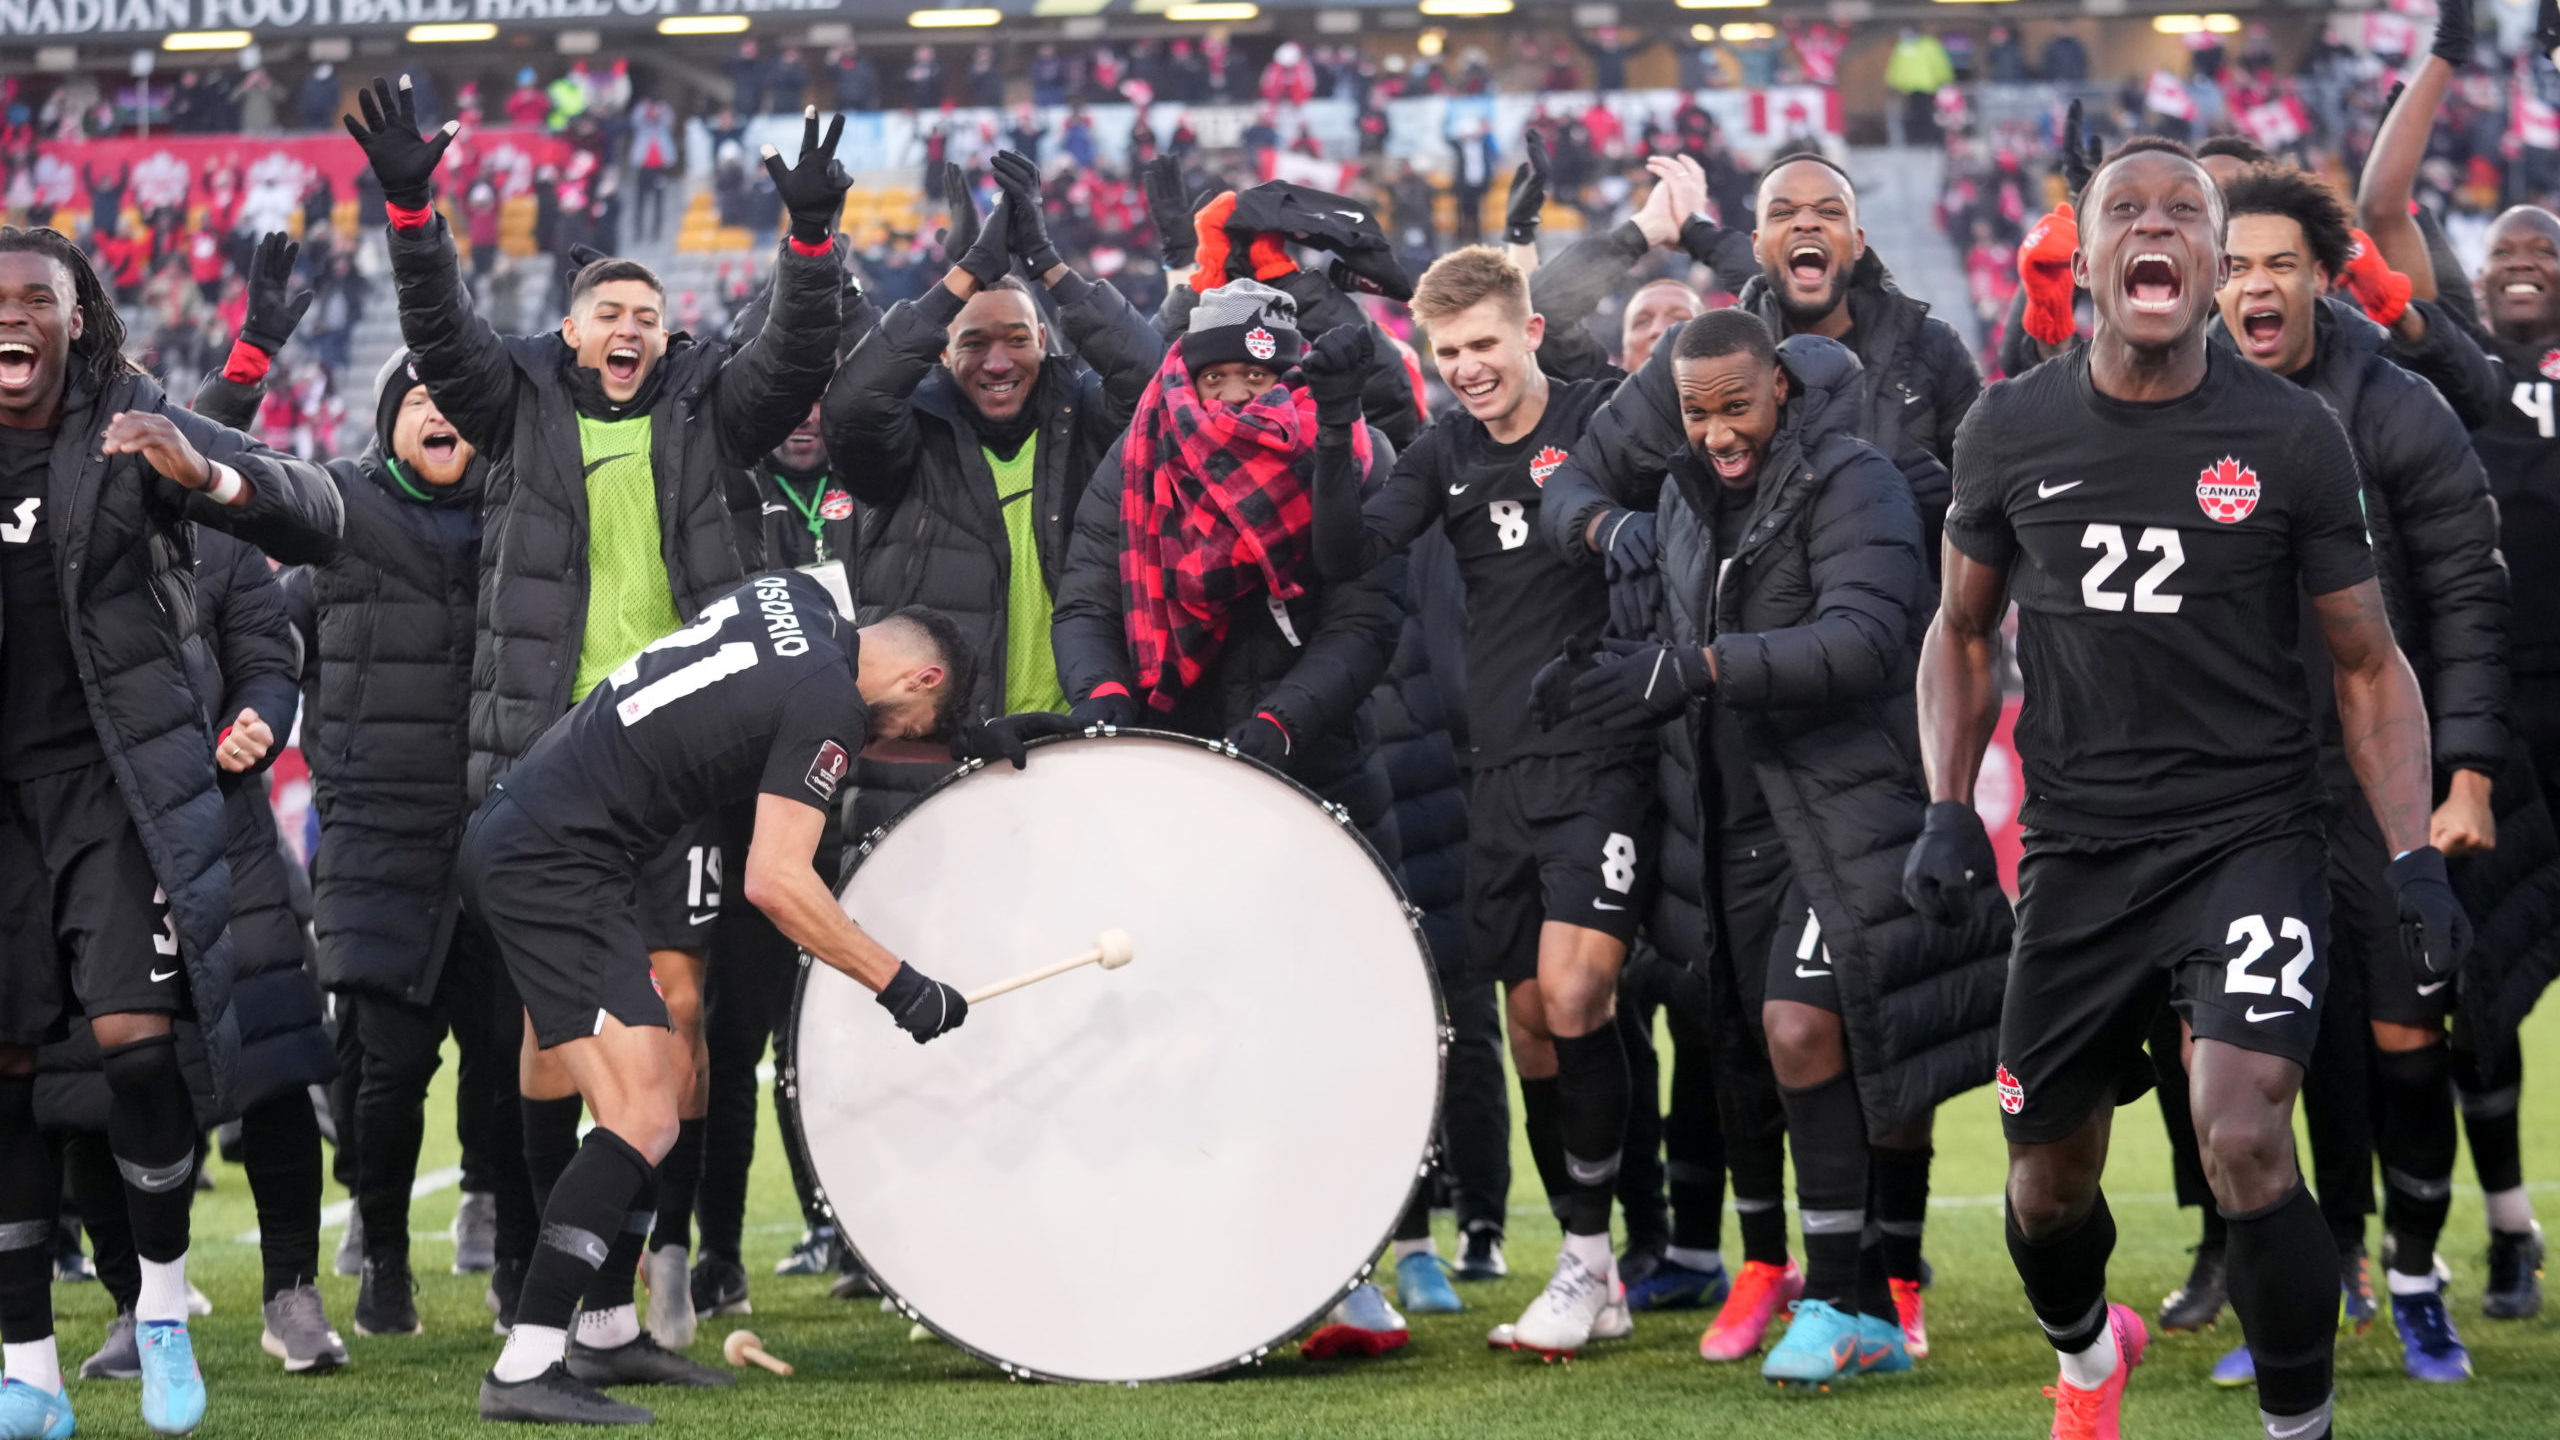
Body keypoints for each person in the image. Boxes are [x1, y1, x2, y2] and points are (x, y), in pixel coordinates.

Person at [1916, 139, 2461, 1440]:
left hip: (2248, 840)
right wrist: (1945, 804)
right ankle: (2085, 1353)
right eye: (2127, 209)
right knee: (2046, 1187)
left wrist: (2412, 859)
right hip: (2078, 854)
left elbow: (2368, 663)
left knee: (2246, 1137)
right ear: (2087, 255)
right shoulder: (2009, 425)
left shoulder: (2291, 435)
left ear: (2213, 265)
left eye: (2186, 213)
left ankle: (2298, 1426)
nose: (2157, 227)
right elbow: (1961, 631)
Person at [347, 77, 851, 1350]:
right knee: (549, 1032)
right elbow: (436, 320)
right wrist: (413, 206)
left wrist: (807, 249)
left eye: (648, 314)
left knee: (674, 1007)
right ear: (571, 333)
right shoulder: (510, 403)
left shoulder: (704, 404)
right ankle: (539, 1259)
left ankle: (650, 1262)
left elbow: (794, 359)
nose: (631, 327)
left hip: (681, 757)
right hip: (543, 756)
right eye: (609, 313)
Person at [1546, 307, 2009, 1384]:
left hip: (1848, 807)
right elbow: (1665, 630)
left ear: (1780, 392)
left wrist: (1695, 669)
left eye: (1735, 407)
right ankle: (1844, 1299)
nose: (1716, 431)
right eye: (1696, 412)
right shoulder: (1678, 498)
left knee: (1806, 1029)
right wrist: (1598, 678)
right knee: (1761, 1052)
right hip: (1731, 822)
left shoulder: (1860, 480)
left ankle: (1846, 1298)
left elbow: (1862, 641)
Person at [459, 573, 978, 1425]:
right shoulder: (831, 702)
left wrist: (969, 742)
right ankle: (525, 1364)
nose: (890, 743)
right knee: (645, 1116)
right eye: (917, 727)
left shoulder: (794, 600)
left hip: (547, 833)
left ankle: (606, 1329)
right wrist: (901, 985)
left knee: (654, 1093)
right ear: (921, 679)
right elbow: (776, 880)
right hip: (555, 862)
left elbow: (755, 707)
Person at [0, 223, 339, 1440]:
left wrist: (215, 481)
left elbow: (317, 516)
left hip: (119, 791)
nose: (13, 318)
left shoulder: (130, 422)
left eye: (35, 298)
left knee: (140, 1053)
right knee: (18, 1085)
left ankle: (156, 1309)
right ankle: (27, 1367)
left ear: (75, 316)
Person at [2188, 164, 2505, 1386]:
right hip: (2241, 795)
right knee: (2275, 1051)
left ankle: (2421, 1283)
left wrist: (2464, 773)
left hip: (2384, 777)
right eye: (2231, 265)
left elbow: (2470, 599)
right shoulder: (2180, 405)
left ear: (2323, 275)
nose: (2252, 286)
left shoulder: (2394, 406)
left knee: (2403, 1036)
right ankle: (2325, 1278)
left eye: (2275, 263)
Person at [195, 229, 541, 1341]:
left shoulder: (529, 525)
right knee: (385, 1072)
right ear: (388, 418)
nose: (438, 410)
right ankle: (383, 1251)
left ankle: (510, 1248)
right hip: (377, 838)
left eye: (456, 397)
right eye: (416, 397)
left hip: (506, 834)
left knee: (511, 1062)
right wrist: (251, 706)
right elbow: (232, 506)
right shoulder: (338, 509)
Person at [1307, 247, 1652, 1358]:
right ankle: (1592, 1266)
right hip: (1495, 772)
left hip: (1602, 755)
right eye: (1445, 352)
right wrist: (1326, 430)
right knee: (1531, 1030)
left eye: (1482, 346)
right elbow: (1344, 550)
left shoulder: (1605, 423)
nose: (1466, 368)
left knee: (1575, 993)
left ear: (1531, 334)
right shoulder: (1441, 452)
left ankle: (1589, 1263)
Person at [822, 152, 1163, 832]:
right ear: (942, 355)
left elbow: (1155, 382)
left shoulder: (1092, 421)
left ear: (1047, 341)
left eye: (1016, 339)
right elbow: (852, 407)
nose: (998, 361)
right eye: (973, 343)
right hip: (931, 762)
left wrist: (1049, 264)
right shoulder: (909, 433)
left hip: (1080, 744)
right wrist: (962, 279)